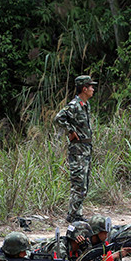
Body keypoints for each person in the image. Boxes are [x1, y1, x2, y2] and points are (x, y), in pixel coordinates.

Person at [54, 75, 97, 222]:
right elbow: (59, 118)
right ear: (84, 89)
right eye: (91, 87)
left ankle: (77, 214)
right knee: (78, 183)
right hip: (78, 149)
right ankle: (72, 216)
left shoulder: (86, 105)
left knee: (84, 183)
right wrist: (70, 131)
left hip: (85, 148)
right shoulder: (74, 105)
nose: (93, 89)